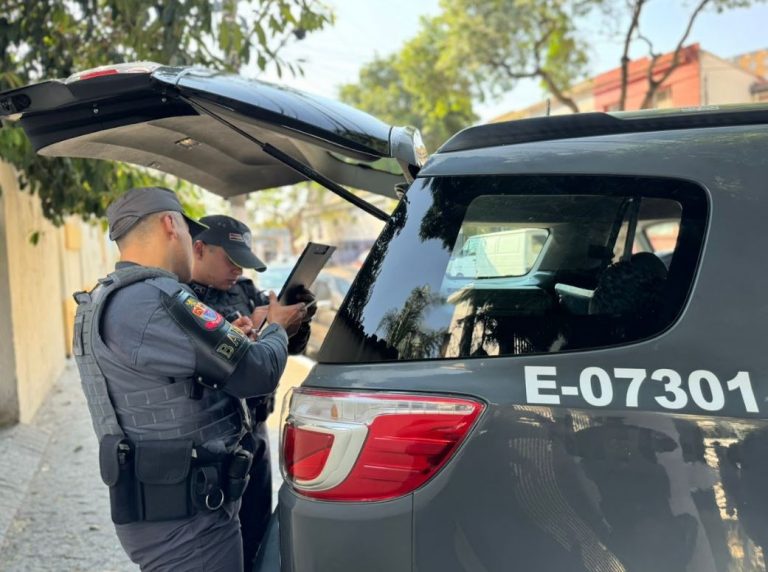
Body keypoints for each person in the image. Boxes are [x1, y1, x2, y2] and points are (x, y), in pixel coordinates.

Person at [71, 187, 307, 571]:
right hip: (189, 523)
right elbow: (257, 371)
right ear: (170, 224)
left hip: (167, 506)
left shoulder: (108, 296)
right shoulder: (156, 298)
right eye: (186, 229)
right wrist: (277, 327)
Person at [188, 214, 316, 568]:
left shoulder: (244, 291)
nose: (237, 269)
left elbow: (289, 347)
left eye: (242, 261)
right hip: (213, 441)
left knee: (258, 532)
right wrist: (237, 339)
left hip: (254, 431)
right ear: (199, 249)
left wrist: (295, 319)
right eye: (229, 259)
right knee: (219, 541)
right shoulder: (182, 299)